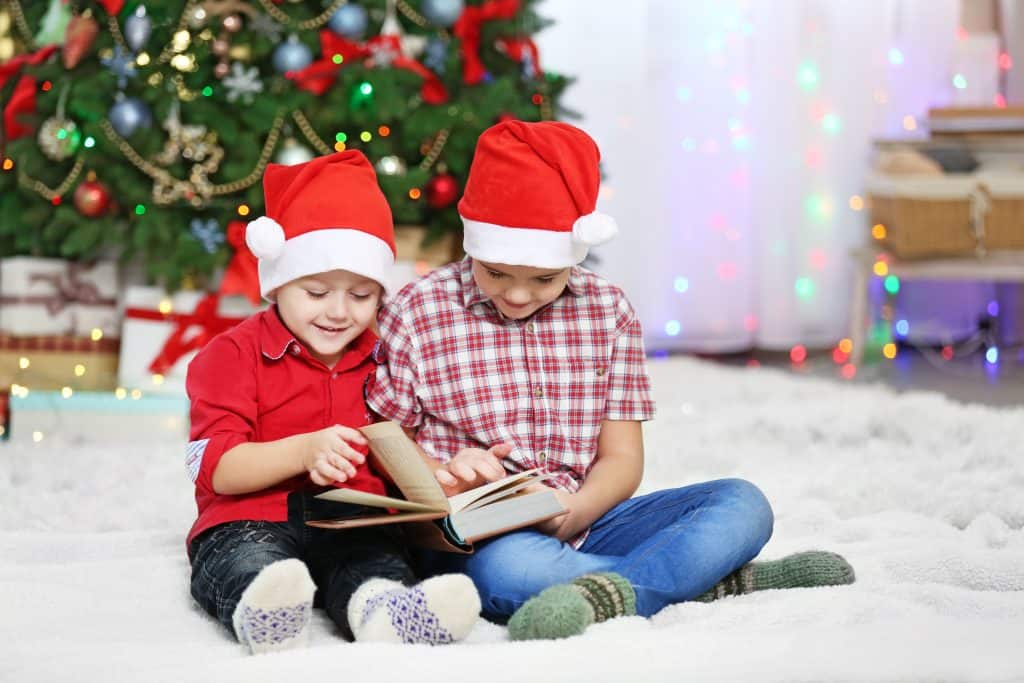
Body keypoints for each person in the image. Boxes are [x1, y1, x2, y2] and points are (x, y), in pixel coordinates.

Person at [366, 121, 855, 641]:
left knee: (743, 503)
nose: (516, 295)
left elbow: (622, 459)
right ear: (473, 248)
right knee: (510, 574)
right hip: (488, 538)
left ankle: (615, 589)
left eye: (544, 280)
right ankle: (703, 581)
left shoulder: (609, 311)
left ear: (572, 258)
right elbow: (389, 441)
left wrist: (578, 510)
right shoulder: (417, 310)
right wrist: (446, 472)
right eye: (497, 273)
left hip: (588, 514)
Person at [185, 151, 479, 654]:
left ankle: (383, 611)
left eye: (362, 296)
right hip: (253, 517)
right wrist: (302, 452)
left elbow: (398, 446)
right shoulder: (230, 355)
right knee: (245, 561)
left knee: (373, 561)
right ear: (277, 283)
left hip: (351, 520)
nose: (339, 313)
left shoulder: (386, 355)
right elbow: (220, 470)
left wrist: (445, 471)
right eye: (317, 292)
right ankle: (266, 612)